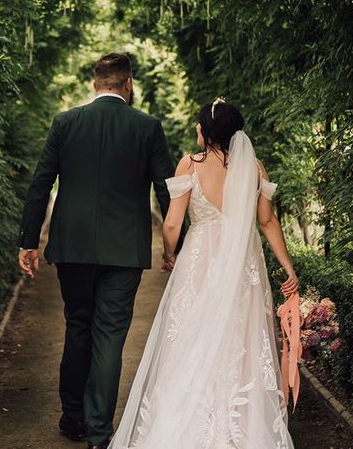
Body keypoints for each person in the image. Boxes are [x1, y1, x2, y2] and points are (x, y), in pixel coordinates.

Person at [109, 98, 299, 449]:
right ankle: (241, 425)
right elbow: (268, 222)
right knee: (240, 340)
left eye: (199, 125)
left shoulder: (189, 165)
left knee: (190, 338)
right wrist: (288, 267)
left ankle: (188, 423)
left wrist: (170, 254)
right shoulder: (254, 168)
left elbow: (171, 222)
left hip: (199, 261)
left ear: (206, 132)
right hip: (244, 264)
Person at [18, 53, 175, 449]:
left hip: (72, 246)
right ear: (129, 84)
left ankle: (73, 417)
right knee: (109, 337)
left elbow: (41, 184)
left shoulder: (65, 123)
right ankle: (100, 433)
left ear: (95, 84)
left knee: (78, 326)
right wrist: (175, 248)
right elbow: (167, 191)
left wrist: (28, 241)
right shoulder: (147, 127)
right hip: (124, 252)